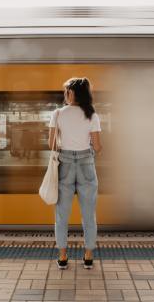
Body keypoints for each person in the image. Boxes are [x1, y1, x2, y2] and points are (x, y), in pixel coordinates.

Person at [48, 77, 102, 270]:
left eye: (67, 91)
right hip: (86, 164)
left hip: (65, 165)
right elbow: (97, 146)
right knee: (88, 214)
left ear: (73, 93)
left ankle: (63, 257)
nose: (65, 95)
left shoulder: (57, 113)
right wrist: (86, 152)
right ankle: (88, 256)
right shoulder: (92, 115)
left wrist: (67, 149)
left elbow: (51, 144)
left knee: (62, 214)